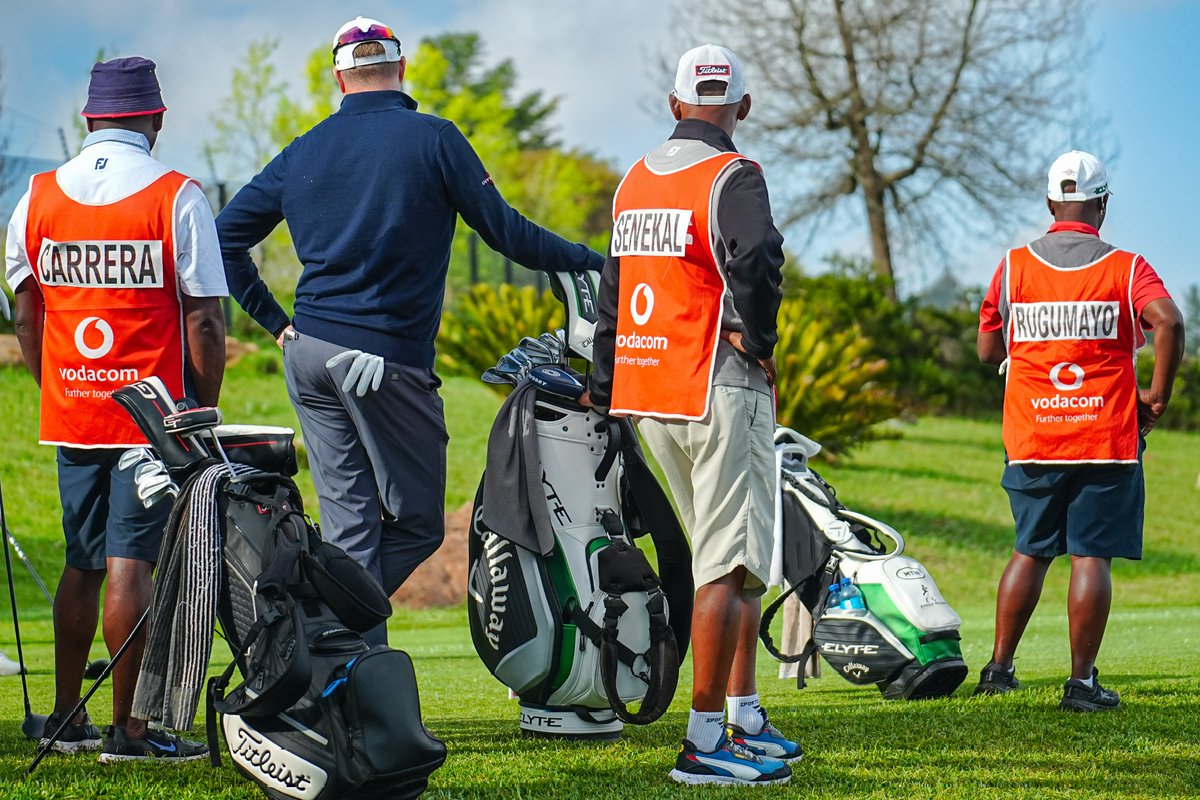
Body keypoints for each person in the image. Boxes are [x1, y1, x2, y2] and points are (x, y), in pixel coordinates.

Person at [216, 17, 603, 645]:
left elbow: (222, 236)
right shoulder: (435, 138)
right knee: (419, 522)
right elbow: (508, 234)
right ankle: (326, 627)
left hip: (309, 353)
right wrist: (593, 260)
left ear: (339, 76)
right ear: (401, 69)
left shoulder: (303, 148)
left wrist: (275, 322)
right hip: (381, 361)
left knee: (350, 528)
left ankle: (338, 667)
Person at [4, 57, 226, 759]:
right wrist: (199, 415)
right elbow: (206, 322)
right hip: (149, 418)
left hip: (72, 409)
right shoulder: (176, 195)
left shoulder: (36, 197)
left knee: (82, 561)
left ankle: (69, 717)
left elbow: (25, 308)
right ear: (154, 120)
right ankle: (130, 731)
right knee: (132, 563)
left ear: (89, 120)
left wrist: (55, 384)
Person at [588, 45, 796, 786]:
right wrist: (757, 336)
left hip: (651, 395)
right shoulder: (734, 175)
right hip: (717, 386)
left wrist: (604, 380)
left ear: (674, 105)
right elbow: (760, 253)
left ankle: (740, 714)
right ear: (742, 107)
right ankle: (705, 740)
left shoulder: (634, 181)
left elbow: (612, 291)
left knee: (732, 564)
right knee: (728, 565)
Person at [974, 150, 1184, 711]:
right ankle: (1081, 684)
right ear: (1103, 205)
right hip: (1104, 438)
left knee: (1030, 550)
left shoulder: (1013, 266)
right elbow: (1169, 321)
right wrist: (1157, 396)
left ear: (1050, 203)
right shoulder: (1128, 267)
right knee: (1091, 556)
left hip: (1033, 435)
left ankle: (998, 668)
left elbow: (988, 347)